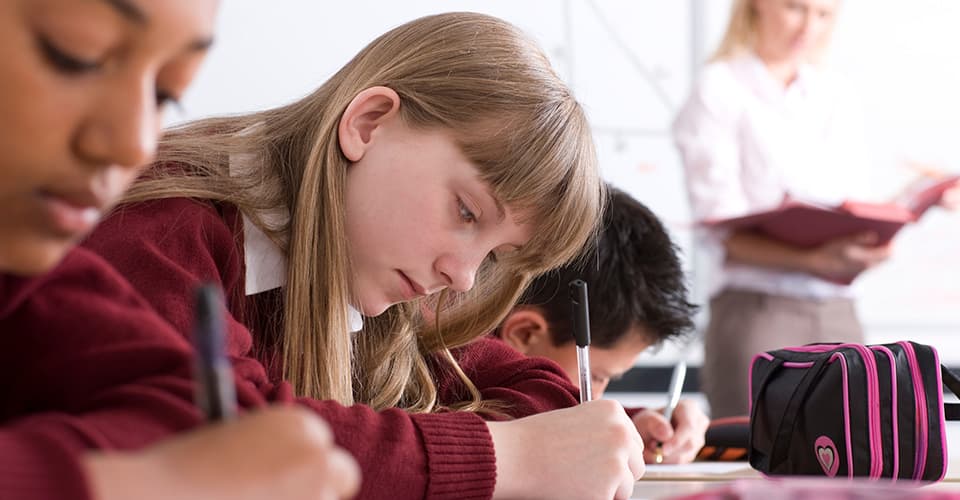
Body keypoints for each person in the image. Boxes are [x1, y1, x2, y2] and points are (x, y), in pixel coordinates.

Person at [61, 11, 645, 500]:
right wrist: (504, 457)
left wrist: (586, 442)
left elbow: (539, 391)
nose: (462, 277)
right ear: (368, 124)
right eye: (466, 212)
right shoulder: (170, 227)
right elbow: (213, 441)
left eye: (495, 255)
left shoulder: (369, 284)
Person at [0, 1, 360, 499]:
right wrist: (133, 483)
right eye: (75, 56)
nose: (135, 144)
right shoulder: (170, 224)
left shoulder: (29, 279)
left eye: (166, 94)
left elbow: (199, 415)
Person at [672, 0, 957, 418]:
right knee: (757, 460)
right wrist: (812, 257)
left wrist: (917, 202)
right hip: (758, 311)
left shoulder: (834, 93)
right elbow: (723, 231)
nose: (809, 27)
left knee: (856, 452)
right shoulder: (719, 88)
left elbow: (849, 208)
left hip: (838, 312)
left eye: (824, 14)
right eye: (795, 8)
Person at [497, 186, 709, 464]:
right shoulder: (452, 380)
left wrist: (635, 424)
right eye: (596, 376)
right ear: (525, 334)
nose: (598, 395)